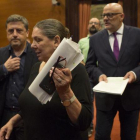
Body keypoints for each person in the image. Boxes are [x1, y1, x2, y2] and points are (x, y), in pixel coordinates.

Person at [0, 19, 92, 140]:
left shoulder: (76, 70)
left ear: (56, 41)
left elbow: (84, 121)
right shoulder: (37, 67)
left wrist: (65, 92)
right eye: (33, 40)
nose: (32, 45)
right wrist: (13, 121)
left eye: (38, 40)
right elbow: (33, 104)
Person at [86, 3, 140, 140]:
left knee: (129, 136)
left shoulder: (137, 34)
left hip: (131, 96)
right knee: (101, 136)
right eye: (104, 15)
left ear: (121, 16)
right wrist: (99, 75)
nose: (105, 18)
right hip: (105, 98)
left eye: (110, 15)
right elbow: (90, 65)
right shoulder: (95, 39)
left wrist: (135, 74)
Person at [0, 14, 38, 140]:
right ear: (6, 33)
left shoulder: (37, 55)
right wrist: (4, 69)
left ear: (27, 32)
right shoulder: (1, 53)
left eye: (19, 30)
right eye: (11, 31)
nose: (14, 34)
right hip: (3, 115)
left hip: (27, 115)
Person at [78, 17, 101, 137]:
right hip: (87, 76)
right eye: (91, 23)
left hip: (101, 75)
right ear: (87, 26)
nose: (93, 25)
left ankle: (101, 126)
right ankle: (89, 126)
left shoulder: (103, 40)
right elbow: (76, 55)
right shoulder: (82, 41)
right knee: (89, 101)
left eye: (95, 23)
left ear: (99, 26)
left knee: (102, 102)